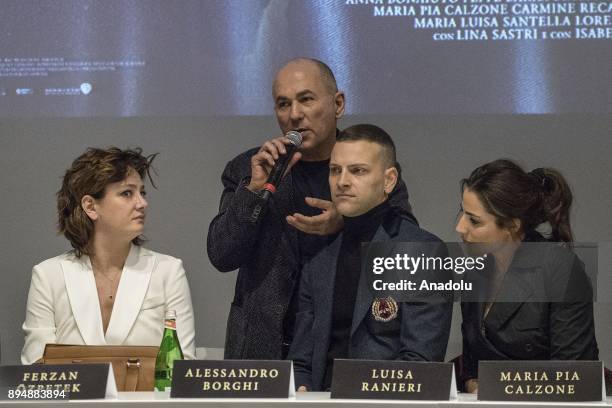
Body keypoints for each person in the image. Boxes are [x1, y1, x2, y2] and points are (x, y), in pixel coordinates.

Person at [207, 58, 415, 359]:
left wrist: (348, 223)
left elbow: (406, 249)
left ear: (338, 104)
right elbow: (222, 255)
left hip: (341, 348)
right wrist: (253, 190)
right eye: (283, 104)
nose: (294, 115)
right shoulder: (250, 167)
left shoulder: (370, 166)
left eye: (306, 100)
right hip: (263, 349)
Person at [288, 124, 452, 391]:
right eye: (335, 170)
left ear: (389, 180)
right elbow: (301, 361)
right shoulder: (320, 255)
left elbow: (421, 362)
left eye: (358, 170)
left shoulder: (424, 252)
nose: (342, 181)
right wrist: (303, 389)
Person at [21, 147, 196, 364]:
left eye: (142, 192)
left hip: (150, 398)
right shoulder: (48, 275)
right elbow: (37, 369)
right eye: (127, 193)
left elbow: (181, 367)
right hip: (69, 399)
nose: (142, 203)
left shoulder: (168, 271)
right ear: (91, 206)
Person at [456, 159, 599, 394]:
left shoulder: (560, 268)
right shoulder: (475, 270)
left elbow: (574, 374)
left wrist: (495, 388)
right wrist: (473, 383)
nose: (460, 227)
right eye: (462, 211)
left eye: (474, 220)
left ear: (512, 225)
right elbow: (471, 364)